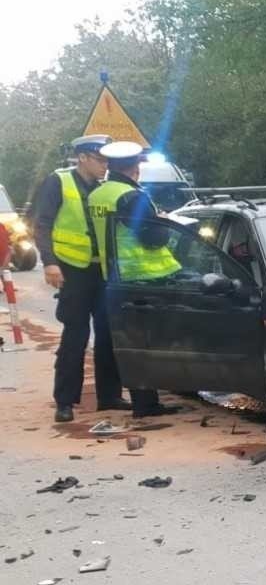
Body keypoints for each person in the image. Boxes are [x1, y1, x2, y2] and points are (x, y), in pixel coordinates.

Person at [31, 134, 131, 422]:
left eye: (108, 161)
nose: (105, 166)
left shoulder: (104, 187)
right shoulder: (59, 181)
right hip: (72, 269)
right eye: (101, 160)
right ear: (83, 158)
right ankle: (65, 401)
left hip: (102, 272)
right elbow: (43, 224)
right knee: (75, 334)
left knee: (108, 333)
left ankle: (109, 396)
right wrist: (50, 263)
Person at [88, 140, 184, 418]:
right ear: (135, 168)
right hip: (145, 276)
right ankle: (147, 405)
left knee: (124, 341)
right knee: (146, 343)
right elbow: (153, 238)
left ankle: (124, 398)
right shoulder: (131, 196)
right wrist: (165, 223)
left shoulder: (98, 194)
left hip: (115, 276)